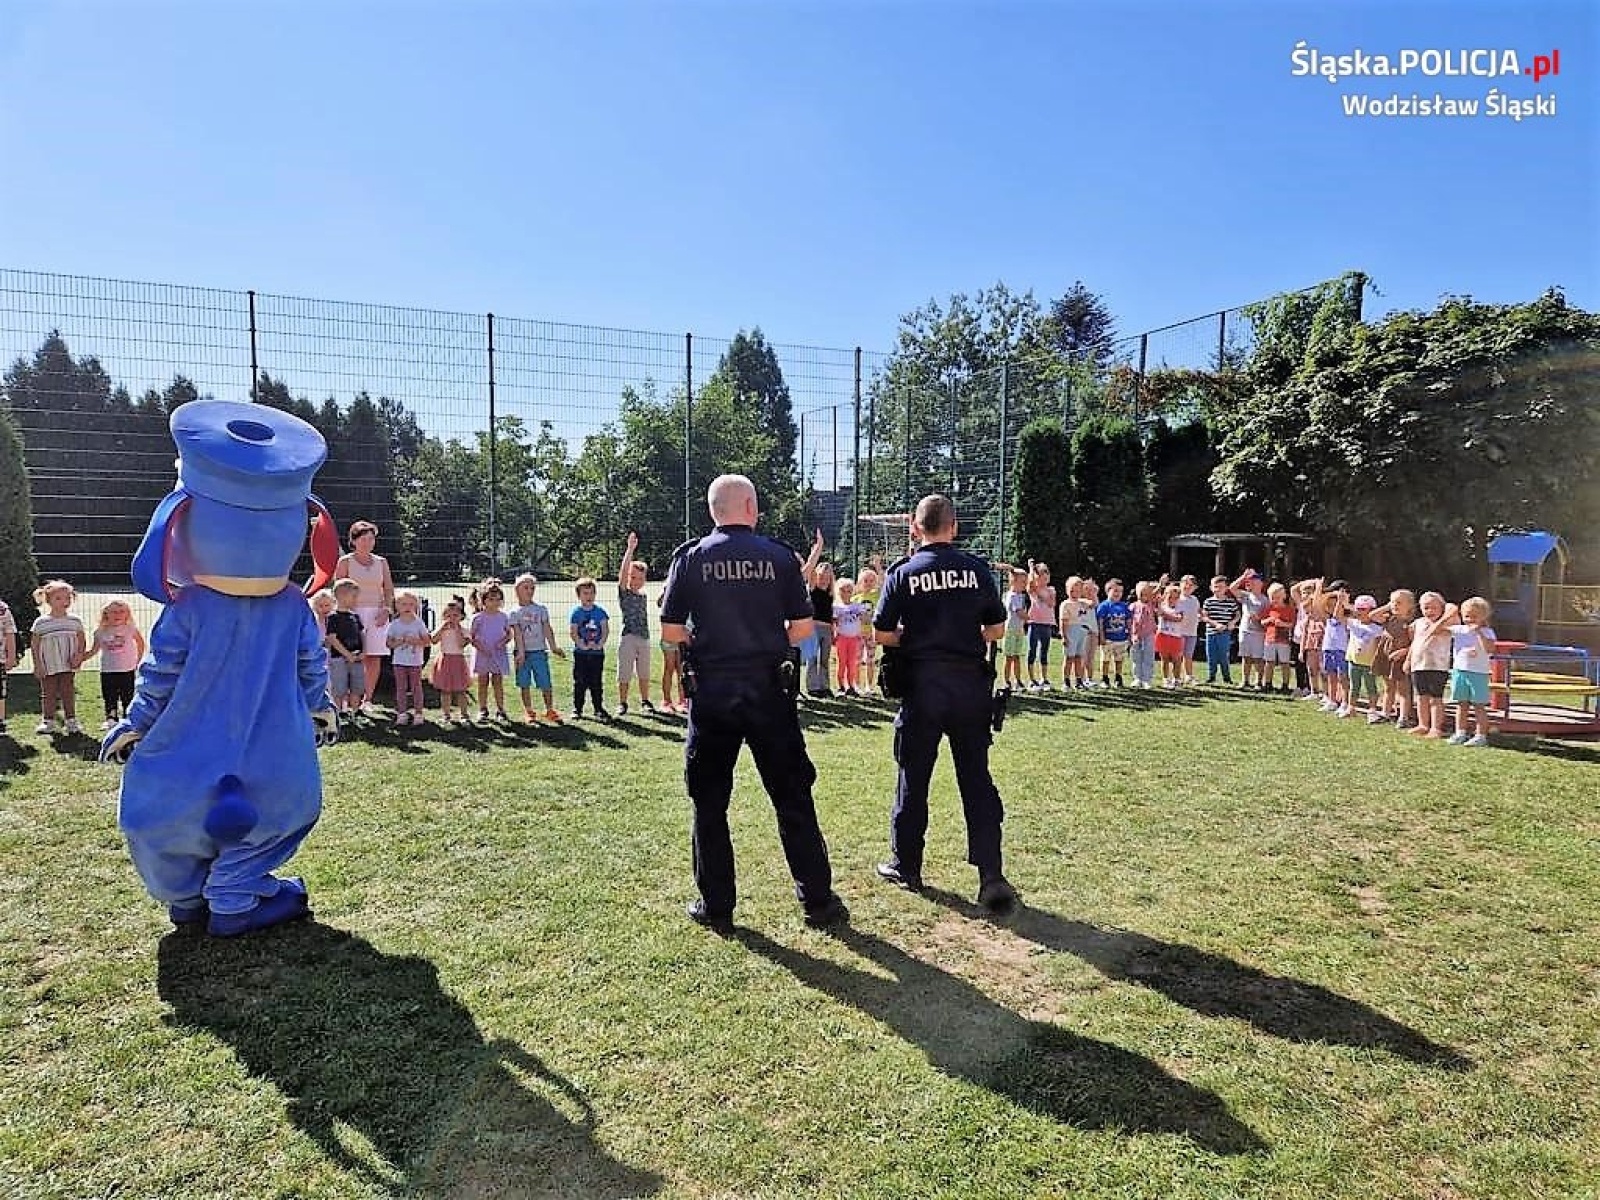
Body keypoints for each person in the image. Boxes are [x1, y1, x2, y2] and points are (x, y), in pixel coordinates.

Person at [659, 473, 846, 929]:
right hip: (768, 691)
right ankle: (818, 902)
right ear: (750, 509)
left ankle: (716, 906)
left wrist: (706, 644)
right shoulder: (780, 558)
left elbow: (669, 632)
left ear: (713, 512)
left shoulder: (691, 558)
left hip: (713, 694)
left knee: (709, 802)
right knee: (792, 795)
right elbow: (803, 631)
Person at [872, 493, 1016, 914]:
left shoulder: (904, 572)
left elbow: (881, 633)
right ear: (954, 527)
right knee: (976, 779)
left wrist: (915, 639)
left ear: (915, 529)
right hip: (970, 687)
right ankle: (991, 873)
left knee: (913, 778)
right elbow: (995, 629)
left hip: (922, 688)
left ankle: (906, 864)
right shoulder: (976, 570)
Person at [331, 521, 395, 712]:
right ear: (354, 540)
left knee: (373, 657)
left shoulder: (381, 562)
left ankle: (366, 700)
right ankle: (345, 700)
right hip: (351, 616)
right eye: (364, 539)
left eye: (371, 538)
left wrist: (386, 609)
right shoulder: (345, 562)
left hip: (377, 615)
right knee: (348, 658)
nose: (368, 542)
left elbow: (389, 589)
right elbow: (339, 590)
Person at [80, 599, 147, 730]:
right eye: (114, 612)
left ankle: (128, 717)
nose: (118, 615)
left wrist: (138, 660)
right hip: (108, 670)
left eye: (122, 612)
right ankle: (111, 718)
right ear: (106, 614)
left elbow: (140, 643)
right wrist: (81, 659)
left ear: (127, 614)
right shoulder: (100, 631)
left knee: (128, 694)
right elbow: (94, 650)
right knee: (109, 695)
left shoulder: (130, 629)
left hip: (127, 669)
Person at [32, 579, 88, 735]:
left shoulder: (75, 621)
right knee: (48, 693)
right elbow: (35, 645)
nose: (64, 601)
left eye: (67, 598)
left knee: (68, 692)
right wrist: (38, 665)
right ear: (48, 600)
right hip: (48, 666)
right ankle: (48, 721)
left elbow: (82, 641)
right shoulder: (41, 623)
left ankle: (71, 721)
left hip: (68, 665)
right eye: (59, 598)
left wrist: (79, 656)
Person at [510, 573, 565, 723]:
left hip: (539, 652)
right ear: (517, 590)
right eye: (525, 587)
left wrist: (553, 647)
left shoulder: (541, 609)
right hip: (522, 654)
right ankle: (529, 711)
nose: (529, 591)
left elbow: (547, 628)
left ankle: (549, 710)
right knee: (524, 683)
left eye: (532, 588)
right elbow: (517, 634)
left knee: (545, 682)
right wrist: (521, 653)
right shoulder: (514, 612)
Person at [1446, 597, 1497, 747]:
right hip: (1460, 671)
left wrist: (1479, 634)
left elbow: (1490, 649)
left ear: (1484, 617)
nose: (1470, 620)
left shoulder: (1488, 632)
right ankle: (1460, 732)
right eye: (1466, 616)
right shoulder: (1459, 629)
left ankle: (1481, 735)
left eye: (1474, 616)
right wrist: (1449, 615)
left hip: (1478, 673)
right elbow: (1436, 631)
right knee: (1461, 704)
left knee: (1478, 705)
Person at [616, 533, 655, 716]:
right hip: (628, 637)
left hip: (644, 638)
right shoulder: (625, 593)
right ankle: (622, 702)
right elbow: (623, 575)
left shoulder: (643, 596)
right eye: (633, 577)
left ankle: (645, 700)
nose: (635, 581)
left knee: (644, 672)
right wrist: (630, 549)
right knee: (624, 671)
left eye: (640, 578)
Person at [385, 591, 431, 726]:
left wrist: (416, 641)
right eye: (404, 604)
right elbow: (388, 644)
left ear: (416, 606)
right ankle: (402, 713)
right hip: (399, 662)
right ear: (397, 606)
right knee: (401, 688)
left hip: (415, 662)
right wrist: (398, 643)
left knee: (416, 687)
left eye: (411, 604)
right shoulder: (394, 624)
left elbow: (427, 641)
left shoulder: (418, 623)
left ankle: (418, 713)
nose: (407, 607)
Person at [469, 579, 513, 722]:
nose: (494, 602)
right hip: (482, 656)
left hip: (498, 655)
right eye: (491, 599)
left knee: (497, 682)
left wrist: (503, 642)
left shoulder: (503, 617)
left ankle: (501, 710)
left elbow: (509, 634)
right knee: (482, 683)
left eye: (497, 599)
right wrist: (481, 647)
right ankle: (482, 709)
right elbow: (472, 637)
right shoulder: (478, 618)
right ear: (483, 600)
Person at [569, 577, 611, 720]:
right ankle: (577, 709)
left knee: (596, 682)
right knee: (580, 682)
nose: (589, 596)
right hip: (580, 654)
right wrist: (580, 643)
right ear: (579, 595)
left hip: (597, 654)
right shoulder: (576, 613)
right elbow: (573, 632)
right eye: (585, 593)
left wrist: (600, 644)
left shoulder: (600, 612)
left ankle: (598, 708)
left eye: (592, 593)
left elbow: (605, 630)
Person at [325, 580, 366, 716]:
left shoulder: (355, 616)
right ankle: (339, 713)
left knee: (357, 686)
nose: (356, 600)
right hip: (339, 658)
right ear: (341, 596)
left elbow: (362, 633)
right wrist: (347, 654)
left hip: (357, 658)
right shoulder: (333, 617)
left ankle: (354, 712)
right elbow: (332, 638)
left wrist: (364, 651)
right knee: (339, 687)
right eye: (353, 596)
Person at [430, 597, 473, 723]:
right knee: (445, 690)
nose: (452, 618)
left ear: (461, 616)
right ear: (444, 616)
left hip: (458, 661)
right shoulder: (442, 629)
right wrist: (442, 628)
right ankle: (446, 714)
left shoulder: (464, 631)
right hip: (444, 660)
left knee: (461, 690)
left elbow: (461, 644)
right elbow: (433, 640)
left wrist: (458, 630)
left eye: (455, 615)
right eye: (448, 615)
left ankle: (464, 715)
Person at [1229, 569, 1270, 690]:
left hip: (1259, 632)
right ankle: (1245, 681)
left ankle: (1258, 682)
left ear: (1261, 583)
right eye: (1250, 581)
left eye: (1255, 580)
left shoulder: (1265, 599)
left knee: (1258, 658)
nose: (1252, 583)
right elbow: (1232, 588)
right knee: (1246, 657)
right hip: (1245, 630)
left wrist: (1259, 618)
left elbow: (1269, 615)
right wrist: (1243, 576)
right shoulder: (1246, 596)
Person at [1201, 575, 1241, 684]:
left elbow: (1237, 615)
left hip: (1225, 634)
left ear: (1226, 588)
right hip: (1211, 633)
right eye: (1216, 586)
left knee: (1224, 656)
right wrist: (1216, 624)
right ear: (1211, 587)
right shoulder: (1208, 601)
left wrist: (1232, 622)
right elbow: (1204, 617)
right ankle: (1211, 677)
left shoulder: (1231, 602)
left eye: (1221, 587)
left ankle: (1227, 677)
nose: (1218, 589)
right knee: (1211, 656)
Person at [806, 559, 837, 697]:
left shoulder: (830, 594)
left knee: (825, 659)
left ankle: (824, 686)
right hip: (814, 628)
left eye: (827, 577)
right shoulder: (813, 589)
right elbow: (810, 572)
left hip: (826, 629)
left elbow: (830, 613)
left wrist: (832, 629)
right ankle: (813, 688)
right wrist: (815, 552)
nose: (824, 580)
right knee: (812, 658)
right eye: (821, 576)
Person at [1095, 578, 1131, 688]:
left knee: (1119, 659)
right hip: (1108, 638)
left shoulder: (1124, 606)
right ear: (1108, 591)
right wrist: (1102, 636)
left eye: (1120, 591)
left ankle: (1118, 677)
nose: (1118, 594)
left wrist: (1129, 635)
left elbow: (1128, 622)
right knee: (1105, 659)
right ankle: (1104, 678)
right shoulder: (1104, 606)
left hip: (1121, 638)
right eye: (1115, 591)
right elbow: (1100, 622)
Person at [0, 593, 16, 735]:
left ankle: (0, 721)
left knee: (0, 692)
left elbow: (10, 633)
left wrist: (11, 656)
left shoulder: (3, 609)